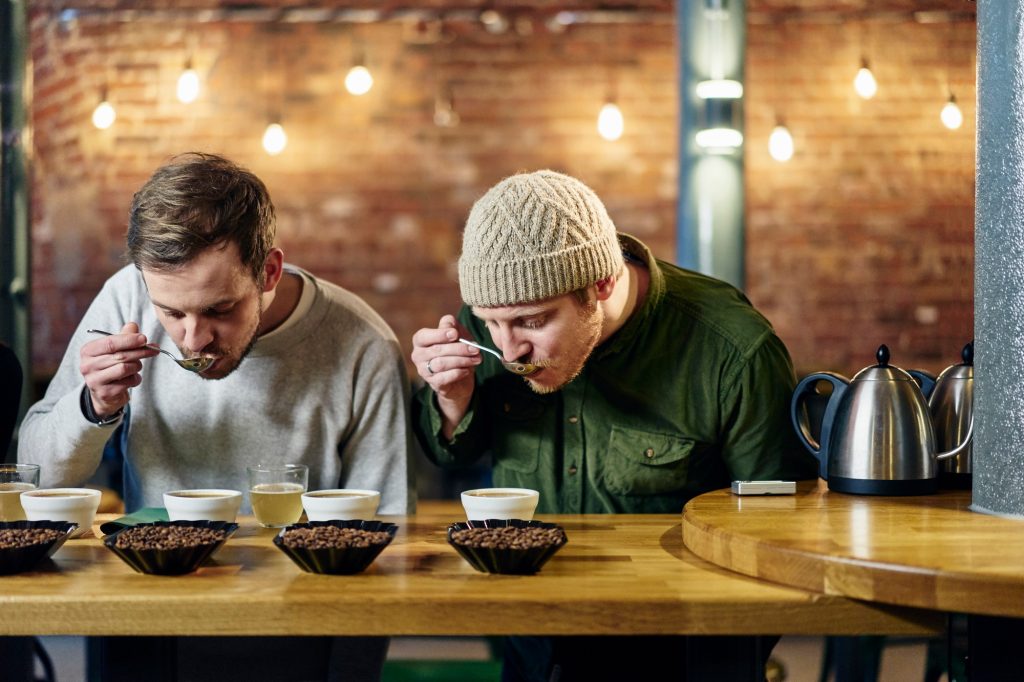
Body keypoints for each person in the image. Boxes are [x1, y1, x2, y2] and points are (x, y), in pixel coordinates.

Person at [19, 152, 414, 681]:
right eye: (171, 312)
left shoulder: (363, 344)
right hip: (147, 620)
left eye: (220, 310)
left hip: (300, 628)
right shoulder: (124, 300)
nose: (192, 338)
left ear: (269, 270)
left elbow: (383, 538)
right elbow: (36, 476)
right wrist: (92, 407)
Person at [411, 169, 817, 680]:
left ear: (601, 283)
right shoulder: (500, 319)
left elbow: (777, 531)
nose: (508, 349)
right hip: (534, 646)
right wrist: (451, 398)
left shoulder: (731, 350)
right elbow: (453, 452)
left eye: (532, 322)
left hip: (678, 652)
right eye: (490, 321)